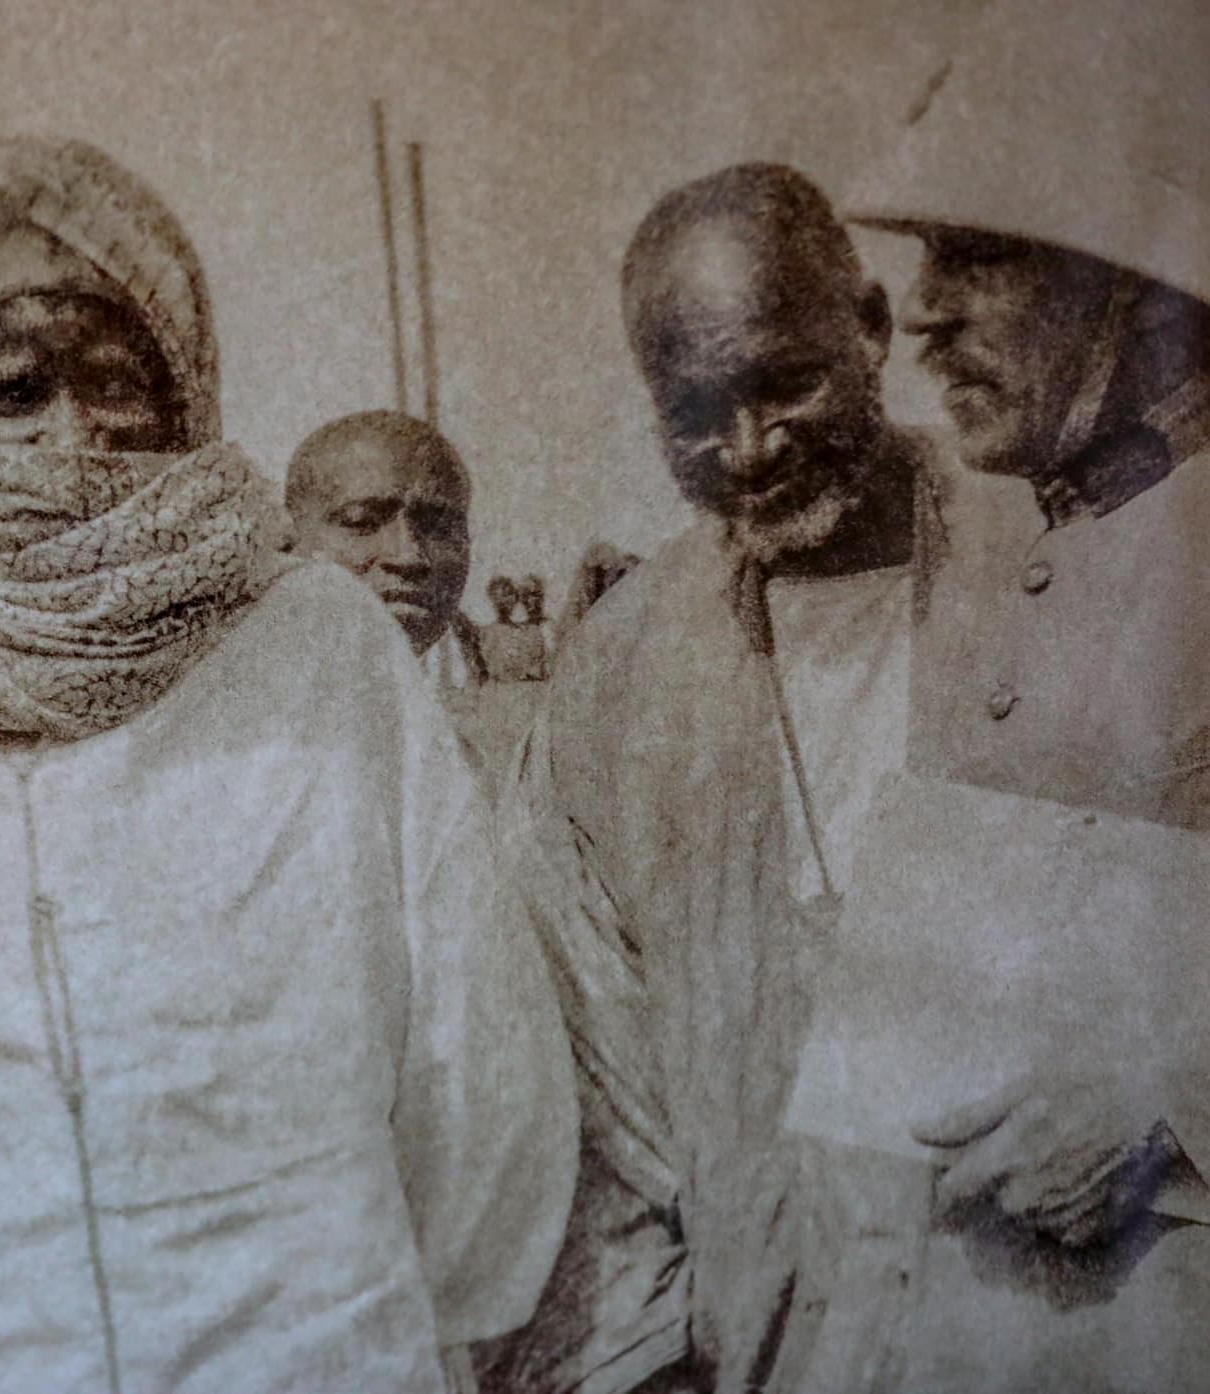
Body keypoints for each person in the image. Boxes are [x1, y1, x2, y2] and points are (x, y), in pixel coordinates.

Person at [0, 136, 577, 1394]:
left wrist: (377, 1304)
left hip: (300, 1335)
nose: (77, 430)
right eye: (14, 390)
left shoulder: (313, 641)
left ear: (182, 386)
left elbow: (469, 1040)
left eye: (119, 377)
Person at [503, 163, 937, 1394]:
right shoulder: (615, 670)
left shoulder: (1054, 565)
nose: (749, 447)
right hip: (762, 1339)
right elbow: (589, 1081)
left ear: (869, 326)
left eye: (785, 380)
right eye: (693, 409)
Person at [837, 4, 1210, 1387]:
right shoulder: (1007, 545)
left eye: (981, 255)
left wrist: (1167, 1108)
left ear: (1144, 285)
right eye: (927, 257)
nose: (922, 310)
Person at [287, 409, 539, 791]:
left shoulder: (520, 748)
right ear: (291, 543)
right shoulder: (234, 735)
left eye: (440, 527)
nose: (409, 556)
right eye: (361, 522)